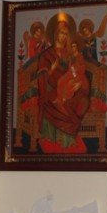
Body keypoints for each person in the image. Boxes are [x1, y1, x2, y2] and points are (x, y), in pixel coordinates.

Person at [37, 18, 90, 153]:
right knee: (64, 103)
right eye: (61, 33)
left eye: (66, 34)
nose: (64, 36)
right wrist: (52, 70)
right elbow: (42, 78)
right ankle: (59, 140)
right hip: (53, 90)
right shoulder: (46, 55)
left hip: (70, 87)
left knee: (83, 101)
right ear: (55, 34)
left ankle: (70, 139)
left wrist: (80, 83)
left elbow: (77, 71)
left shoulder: (70, 53)